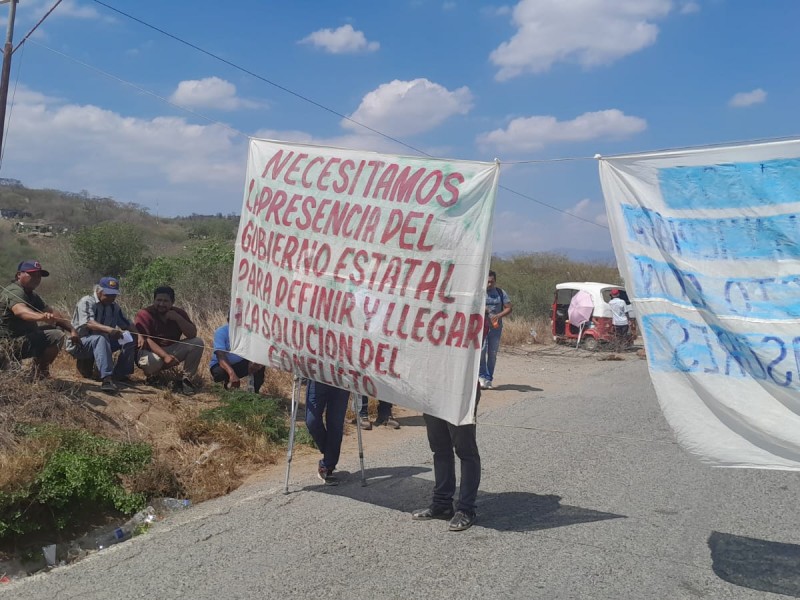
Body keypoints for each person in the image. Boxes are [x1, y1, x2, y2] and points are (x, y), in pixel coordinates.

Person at [412, 384, 481, 532]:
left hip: (461, 393)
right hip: (432, 391)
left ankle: (466, 509)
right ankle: (442, 504)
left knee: (466, 451)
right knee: (440, 448)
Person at [0, 260, 79, 378]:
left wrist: (72, 330)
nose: (36, 278)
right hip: (7, 344)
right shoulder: (15, 291)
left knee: (56, 328)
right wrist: (40, 317)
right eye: (31, 274)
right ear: (18, 275)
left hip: (21, 338)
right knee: (56, 336)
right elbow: (20, 311)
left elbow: (52, 312)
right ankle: (40, 374)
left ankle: (37, 371)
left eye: (39, 276)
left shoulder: (32, 294)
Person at [66, 277, 141, 393]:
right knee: (99, 338)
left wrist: (139, 336)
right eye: (108, 294)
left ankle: (120, 375)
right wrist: (109, 330)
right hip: (81, 343)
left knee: (129, 338)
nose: (111, 297)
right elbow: (88, 322)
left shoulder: (114, 307)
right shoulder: (86, 301)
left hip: (105, 342)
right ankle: (107, 379)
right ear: (99, 291)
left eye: (114, 295)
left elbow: (127, 324)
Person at [134, 286, 204, 396]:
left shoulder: (178, 313)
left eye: (165, 301)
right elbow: (145, 339)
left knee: (197, 342)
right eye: (159, 300)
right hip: (148, 351)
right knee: (154, 361)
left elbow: (192, 334)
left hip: (172, 349)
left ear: (172, 302)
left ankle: (186, 380)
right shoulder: (144, 314)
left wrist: (178, 318)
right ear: (154, 300)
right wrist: (165, 356)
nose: (161, 304)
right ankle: (153, 377)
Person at [305, 380, 350, 485]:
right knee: (312, 422)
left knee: (335, 425)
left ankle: (327, 466)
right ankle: (330, 452)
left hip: (341, 381)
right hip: (317, 379)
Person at [209, 317, 265, 393]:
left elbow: (257, 348)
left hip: (241, 364)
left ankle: (254, 391)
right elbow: (220, 356)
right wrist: (232, 374)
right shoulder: (221, 332)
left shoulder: (249, 332)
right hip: (221, 365)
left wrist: (253, 360)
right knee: (219, 373)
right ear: (228, 320)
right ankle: (224, 386)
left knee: (259, 363)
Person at [479, 271, 512, 390]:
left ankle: (489, 378)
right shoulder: (479, 292)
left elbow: (509, 308)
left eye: (491, 282)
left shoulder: (500, 293)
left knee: (492, 354)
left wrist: (498, 315)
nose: (489, 284)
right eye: (487, 282)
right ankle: (481, 376)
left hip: (495, 329)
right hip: (481, 328)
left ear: (495, 281)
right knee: (481, 352)